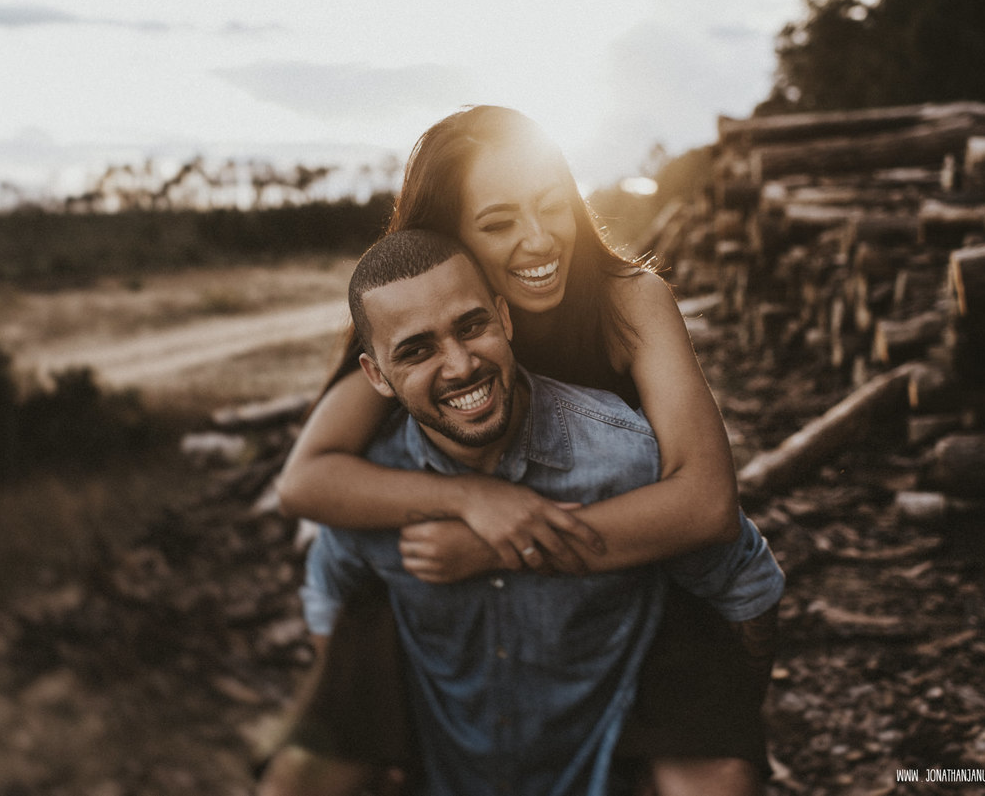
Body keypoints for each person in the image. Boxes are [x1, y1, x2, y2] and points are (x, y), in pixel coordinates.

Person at [273, 106, 783, 794]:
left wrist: (500, 542)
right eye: (498, 223)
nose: (540, 240)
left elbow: (707, 503)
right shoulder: (429, 326)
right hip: (465, 609)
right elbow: (307, 480)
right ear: (446, 239)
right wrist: (473, 499)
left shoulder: (627, 298)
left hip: (622, 587)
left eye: (552, 207)